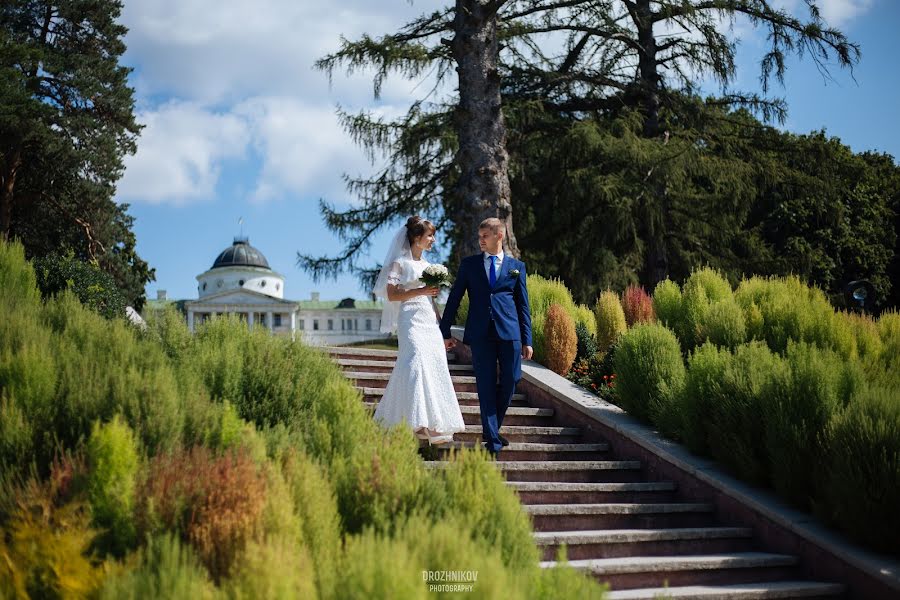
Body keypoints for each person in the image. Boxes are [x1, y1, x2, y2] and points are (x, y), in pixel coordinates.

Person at [439, 217, 533, 457]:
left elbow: (523, 305)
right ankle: (492, 440)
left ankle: (492, 429)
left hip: (510, 332)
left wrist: (527, 339)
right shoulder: (469, 265)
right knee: (485, 385)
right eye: (479, 236)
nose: (480, 240)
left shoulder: (516, 267)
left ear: (499, 236)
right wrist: (445, 331)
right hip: (480, 333)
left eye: (485, 236)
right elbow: (455, 298)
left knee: (512, 378)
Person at [371, 216, 465, 445]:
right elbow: (392, 294)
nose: (433, 239)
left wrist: (443, 330)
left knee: (434, 365)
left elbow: (432, 301)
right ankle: (415, 422)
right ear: (416, 238)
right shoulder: (400, 264)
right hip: (410, 320)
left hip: (429, 321)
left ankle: (429, 423)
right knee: (414, 362)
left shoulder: (427, 266)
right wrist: (420, 291)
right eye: (429, 235)